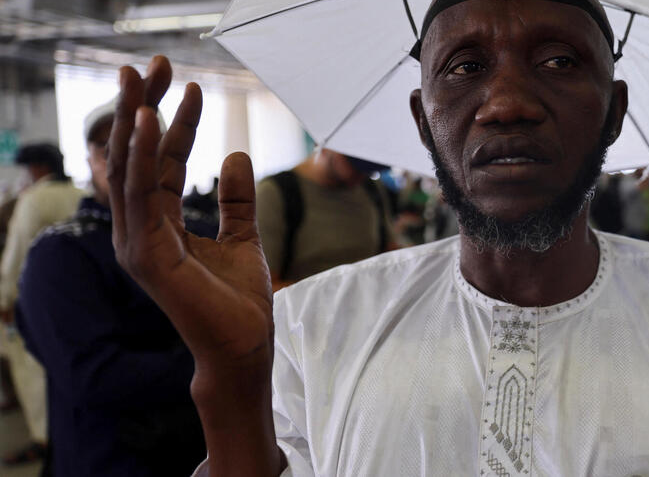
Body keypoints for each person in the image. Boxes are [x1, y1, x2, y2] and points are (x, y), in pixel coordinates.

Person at [106, 0, 649, 476]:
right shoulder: (315, 323)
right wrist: (233, 383)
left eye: (558, 61)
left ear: (613, 113)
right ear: (424, 121)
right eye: (464, 66)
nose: (508, 102)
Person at [15, 100, 209, 476]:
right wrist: (220, 358)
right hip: (109, 459)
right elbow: (95, 376)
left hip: (209, 454)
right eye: (105, 148)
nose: (119, 155)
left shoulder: (202, 234)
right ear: (88, 160)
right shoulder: (61, 252)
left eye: (139, 143)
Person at [0, 143, 83, 466]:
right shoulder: (77, 194)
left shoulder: (33, 199)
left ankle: (44, 440)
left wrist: (4, 297)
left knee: (31, 369)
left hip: (37, 301)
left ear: (36, 168)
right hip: (79, 298)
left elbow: (15, 255)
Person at [255, 149, 395, 290]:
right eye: (356, 163)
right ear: (326, 145)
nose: (363, 173)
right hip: (309, 309)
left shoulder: (371, 189)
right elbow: (264, 289)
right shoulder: (275, 193)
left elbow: (391, 252)